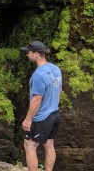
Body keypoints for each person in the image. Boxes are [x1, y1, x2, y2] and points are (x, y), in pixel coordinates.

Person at [20, 40, 62, 171]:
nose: (26, 54)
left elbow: (37, 100)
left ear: (36, 54)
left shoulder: (38, 75)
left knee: (29, 145)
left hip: (42, 117)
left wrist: (28, 119)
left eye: (28, 52)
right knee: (49, 144)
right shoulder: (55, 68)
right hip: (55, 113)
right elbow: (59, 90)